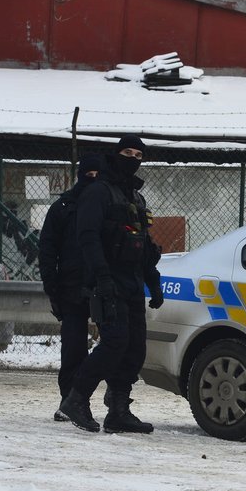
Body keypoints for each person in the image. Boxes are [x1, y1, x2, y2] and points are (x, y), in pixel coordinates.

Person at [58, 135, 164, 433]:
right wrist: (101, 277)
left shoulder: (134, 197)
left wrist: (153, 283)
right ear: (116, 154)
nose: (133, 158)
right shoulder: (99, 192)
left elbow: (143, 244)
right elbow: (87, 238)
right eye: (127, 152)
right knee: (115, 343)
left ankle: (118, 410)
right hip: (108, 281)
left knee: (135, 349)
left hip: (132, 282)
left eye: (138, 154)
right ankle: (76, 398)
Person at [38, 152, 100, 422]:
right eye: (90, 174)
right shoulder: (63, 207)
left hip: (101, 285)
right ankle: (70, 401)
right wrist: (53, 288)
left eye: (98, 175)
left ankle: (108, 401)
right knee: (73, 348)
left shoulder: (105, 205)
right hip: (72, 287)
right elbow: (47, 249)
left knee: (114, 347)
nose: (93, 179)